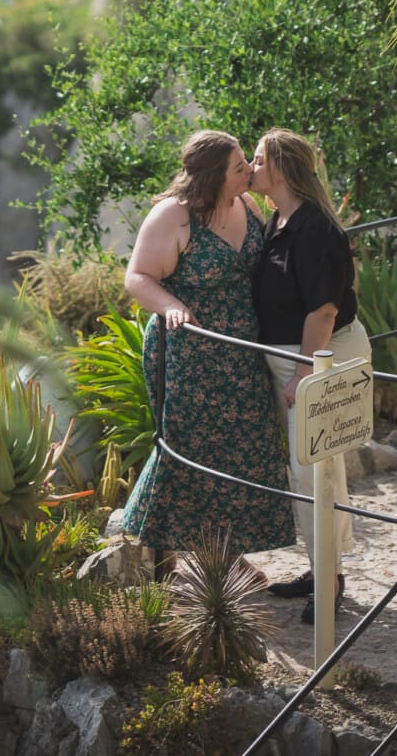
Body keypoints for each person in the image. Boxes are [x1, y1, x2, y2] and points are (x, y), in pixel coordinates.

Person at [120, 128, 297, 564]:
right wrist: (172, 306)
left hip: (244, 353)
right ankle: (204, 563)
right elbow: (137, 278)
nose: (250, 171)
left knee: (246, 452)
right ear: (212, 177)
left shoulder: (247, 204)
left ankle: (229, 559)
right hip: (191, 354)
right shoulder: (172, 217)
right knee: (195, 454)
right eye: (239, 168)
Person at [250, 127, 371, 626]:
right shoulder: (278, 219)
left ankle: (329, 582)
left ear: (280, 167)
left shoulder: (316, 229)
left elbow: (323, 312)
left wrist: (302, 375)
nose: (251, 167)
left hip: (322, 357)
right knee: (319, 471)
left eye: (257, 159)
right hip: (297, 359)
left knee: (313, 470)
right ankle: (323, 569)